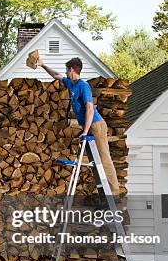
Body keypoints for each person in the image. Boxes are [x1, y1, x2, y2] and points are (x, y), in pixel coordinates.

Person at [35, 56, 120, 195]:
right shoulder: (70, 83)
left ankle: (114, 192)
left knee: (104, 157)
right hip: (89, 125)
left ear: (72, 69)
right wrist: (43, 65)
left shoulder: (83, 86)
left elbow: (90, 109)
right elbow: (56, 75)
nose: (66, 72)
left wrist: (85, 131)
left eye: (67, 70)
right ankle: (104, 194)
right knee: (95, 160)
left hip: (96, 124)